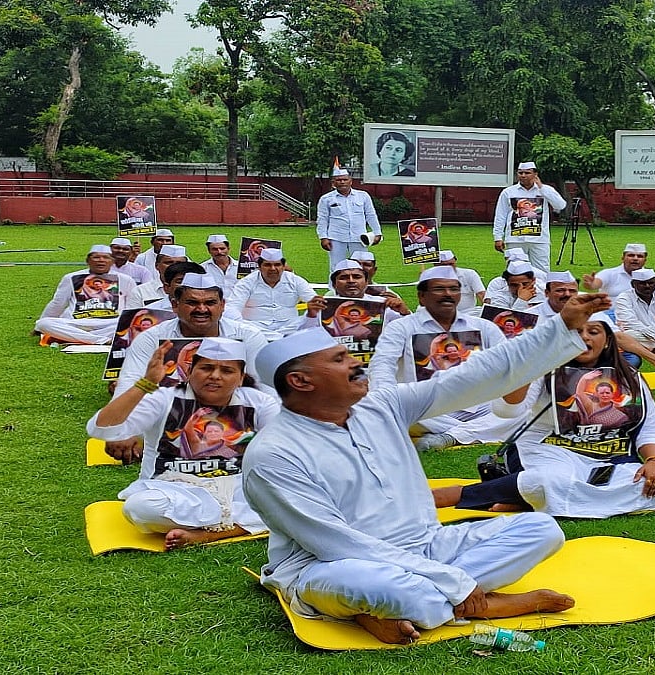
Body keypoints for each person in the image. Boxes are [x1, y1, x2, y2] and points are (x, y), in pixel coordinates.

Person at [241, 293, 610, 645]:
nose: (356, 362)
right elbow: (337, 543)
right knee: (375, 586)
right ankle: (482, 603)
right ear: (300, 382)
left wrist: (559, 326)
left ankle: (409, 609)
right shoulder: (274, 454)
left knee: (542, 529)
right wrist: (453, 581)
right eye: (338, 360)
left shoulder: (382, 405)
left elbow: (476, 376)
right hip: (335, 564)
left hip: (427, 546)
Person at [434, 313, 655, 518]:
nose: (584, 337)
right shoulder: (544, 371)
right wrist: (529, 367)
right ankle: (461, 494)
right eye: (576, 332)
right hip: (549, 451)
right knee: (547, 481)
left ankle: (529, 502)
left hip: (609, 454)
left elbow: (649, 426)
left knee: (652, 486)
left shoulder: (629, 377)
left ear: (606, 341)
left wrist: (654, 462)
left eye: (593, 332)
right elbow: (507, 411)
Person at [87, 338, 277, 550]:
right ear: (189, 371)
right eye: (206, 368)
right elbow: (101, 429)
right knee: (139, 508)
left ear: (241, 378)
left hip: (239, 489)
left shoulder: (259, 402)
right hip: (175, 488)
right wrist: (145, 385)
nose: (215, 376)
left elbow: (283, 446)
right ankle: (244, 523)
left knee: (293, 495)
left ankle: (208, 533)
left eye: (226, 370)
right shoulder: (163, 399)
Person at [369, 266, 521, 452]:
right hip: (426, 408)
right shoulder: (401, 328)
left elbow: (507, 364)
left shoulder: (483, 326)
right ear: (421, 296)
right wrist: (386, 397)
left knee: (523, 411)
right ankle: (475, 432)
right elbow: (382, 365)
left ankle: (450, 437)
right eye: (439, 289)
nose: (448, 294)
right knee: (388, 407)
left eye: (454, 289)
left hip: (478, 407)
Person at [113, 273, 269, 403]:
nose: (201, 309)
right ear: (175, 305)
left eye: (210, 303)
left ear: (222, 306)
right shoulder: (151, 338)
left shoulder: (248, 336)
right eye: (192, 302)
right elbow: (128, 384)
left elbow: (265, 387)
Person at [532, 271, 655, 371]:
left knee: (629, 361)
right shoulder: (532, 316)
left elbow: (619, 336)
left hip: (589, 364)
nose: (567, 295)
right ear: (546, 293)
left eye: (571, 291)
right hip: (546, 366)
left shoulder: (589, 309)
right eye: (560, 290)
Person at [35, 245, 137, 345]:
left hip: (110, 324)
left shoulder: (126, 279)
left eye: (106, 257)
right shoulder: (71, 277)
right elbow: (58, 303)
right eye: (96, 257)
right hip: (77, 324)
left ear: (112, 262)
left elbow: (133, 305)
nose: (101, 260)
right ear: (87, 261)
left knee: (133, 322)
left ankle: (81, 337)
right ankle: (102, 340)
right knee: (43, 323)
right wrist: (39, 327)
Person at [225, 248, 321, 339]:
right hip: (255, 326)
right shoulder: (247, 282)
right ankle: (280, 337)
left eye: (277, 265)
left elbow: (315, 301)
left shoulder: (295, 280)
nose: (273, 268)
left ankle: (274, 337)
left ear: (283, 266)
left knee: (318, 314)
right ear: (259, 267)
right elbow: (233, 307)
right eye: (267, 265)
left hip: (290, 326)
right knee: (230, 318)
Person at [492, 161, 567, 272]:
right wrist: (497, 237)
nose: (523, 175)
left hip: (539, 239)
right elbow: (500, 215)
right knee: (515, 270)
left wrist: (541, 187)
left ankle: (540, 289)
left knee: (542, 271)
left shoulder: (545, 190)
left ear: (535, 174)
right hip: (515, 239)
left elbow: (560, 205)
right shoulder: (508, 192)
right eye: (520, 173)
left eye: (527, 173)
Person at [316, 167, 381, 270]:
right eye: (339, 180)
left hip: (359, 238)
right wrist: (323, 237)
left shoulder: (363, 196)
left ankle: (362, 286)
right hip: (336, 238)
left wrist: (377, 233)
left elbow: (371, 215)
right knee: (336, 267)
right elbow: (322, 219)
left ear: (351, 181)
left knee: (362, 266)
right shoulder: (326, 199)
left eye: (345, 179)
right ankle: (334, 286)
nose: (342, 182)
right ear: (333, 182)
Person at [125, 244, 188, 310]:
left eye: (179, 263)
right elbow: (133, 317)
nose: (174, 266)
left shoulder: (194, 291)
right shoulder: (141, 292)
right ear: (157, 265)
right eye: (168, 262)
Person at [582, 244, 648, 301]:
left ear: (645, 260)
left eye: (640, 256)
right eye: (631, 255)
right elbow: (595, 284)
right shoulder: (609, 273)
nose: (635, 258)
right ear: (623, 258)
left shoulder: (653, 277)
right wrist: (590, 284)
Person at [433, 250, 484, 315]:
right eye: (444, 265)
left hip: (468, 313)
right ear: (436, 265)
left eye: (451, 264)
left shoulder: (469, 274)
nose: (449, 267)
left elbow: (481, 294)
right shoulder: (429, 278)